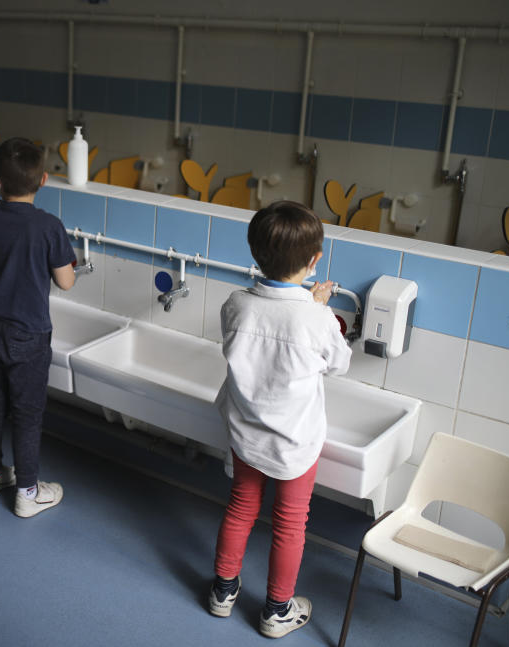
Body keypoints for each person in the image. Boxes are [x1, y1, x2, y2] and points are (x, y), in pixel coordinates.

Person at [208, 201, 352, 638]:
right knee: (290, 524)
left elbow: (263, 332)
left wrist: (308, 306)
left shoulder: (235, 304)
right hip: (293, 444)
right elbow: (339, 363)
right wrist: (320, 308)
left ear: (255, 253)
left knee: (240, 508)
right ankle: (276, 611)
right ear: (314, 260)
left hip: (247, 435)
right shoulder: (316, 317)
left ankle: (222, 591)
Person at [0, 137, 76, 518]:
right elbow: (65, 282)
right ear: (43, 179)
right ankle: (28, 492)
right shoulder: (49, 227)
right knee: (27, 414)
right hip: (27, 334)